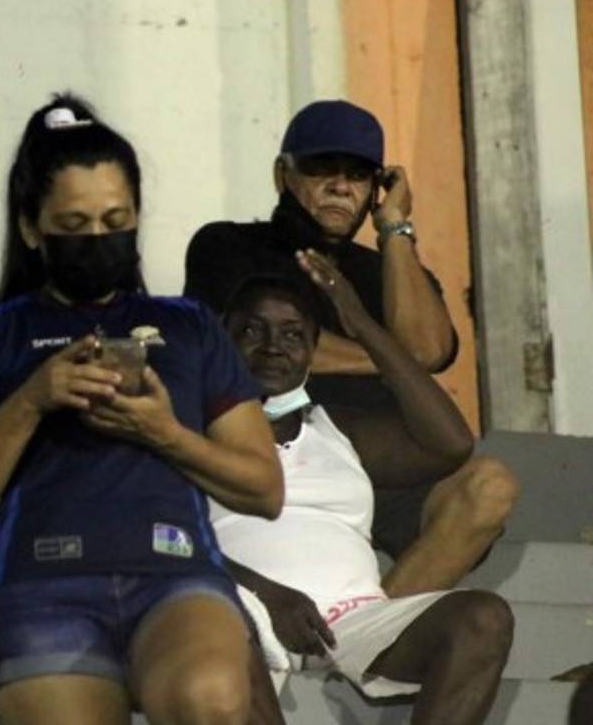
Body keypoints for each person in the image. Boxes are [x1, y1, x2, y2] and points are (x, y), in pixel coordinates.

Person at [0, 96, 284, 725]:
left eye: (115, 220)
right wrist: (34, 399)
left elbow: (264, 489)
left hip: (175, 578)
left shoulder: (189, 325)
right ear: (31, 228)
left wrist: (165, 433)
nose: (97, 239)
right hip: (41, 588)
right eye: (74, 226)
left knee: (212, 701)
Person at [184, 99, 518, 597]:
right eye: (323, 168)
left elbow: (432, 349)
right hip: (273, 443)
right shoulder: (229, 244)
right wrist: (391, 359)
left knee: (489, 486)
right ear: (284, 174)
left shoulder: (387, 269)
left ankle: (369, 634)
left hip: (379, 460)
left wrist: (394, 228)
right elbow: (256, 350)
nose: (342, 186)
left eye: (360, 174)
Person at [215, 260, 513, 724]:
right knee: (213, 619)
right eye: (253, 331)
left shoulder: (336, 428)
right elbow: (163, 533)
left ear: (313, 351)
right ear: (222, 341)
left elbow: (451, 444)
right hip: (243, 608)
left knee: (483, 617)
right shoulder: (188, 429)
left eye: (293, 335)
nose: (273, 348)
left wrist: (361, 325)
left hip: (353, 621)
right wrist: (269, 595)